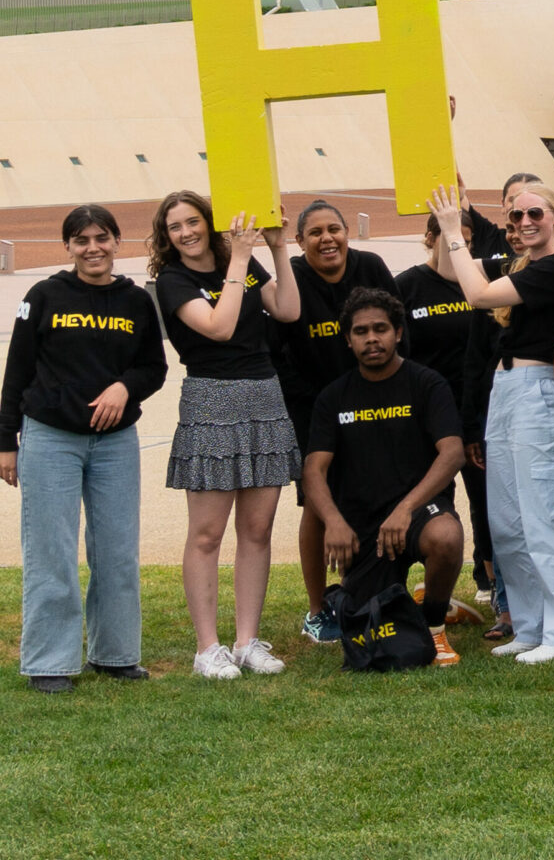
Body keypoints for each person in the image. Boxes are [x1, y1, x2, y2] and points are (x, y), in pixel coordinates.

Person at [1, 205, 167, 692]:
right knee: (50, 552)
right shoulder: (45, 295)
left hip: (115, 443)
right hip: (50, 438)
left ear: (118, 242)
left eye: (101, 238)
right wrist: (5, 442)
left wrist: (124, 388)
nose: (92, 247)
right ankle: (50, 662)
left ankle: (115, 655)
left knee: (117, 552)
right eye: (81, 240)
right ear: (68, 247)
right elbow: (17, 371)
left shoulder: (136, 301)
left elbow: (152, 368)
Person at [429, 182, 554, 663]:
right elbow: (447, 269)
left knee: (547, 515)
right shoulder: (524, 265)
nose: (523, 223)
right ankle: (531, 625)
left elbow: (477, 295)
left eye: (534, 213)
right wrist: (449, 224)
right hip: (505, 392)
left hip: (539, 391)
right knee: (508, 522)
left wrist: (451, 229)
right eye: (513, 217)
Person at [152, 190, 304, 678]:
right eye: (175, 227)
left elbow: (287, 310)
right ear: (166, 237)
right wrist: (239, 255)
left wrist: (277, 248)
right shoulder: (173, 280)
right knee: (206, 534)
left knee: (257, 531)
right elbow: (218, 327)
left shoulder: (240, 262)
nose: (187, 232)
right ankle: (207, 649)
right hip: (211, 399)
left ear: (208, 222)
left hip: (263, 394)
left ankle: (246, 642)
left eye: (193, 221)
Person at [301, 288, 466, 669]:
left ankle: (434, 623)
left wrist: (407, 507)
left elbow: (453, 451)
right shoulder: (334, 396)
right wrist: (335, 522)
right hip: (363, 526)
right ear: (348, 339)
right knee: (367, 625)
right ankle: (409, 601)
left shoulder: (427, 384)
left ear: (398, 333)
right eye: (361, 331)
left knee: (445, 536)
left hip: (417, 513)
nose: (371, 338)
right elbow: (313, 469)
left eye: (380, 329)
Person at [273, 198, 395, 646]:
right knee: (318, 504)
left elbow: (397, 329)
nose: (327, 239)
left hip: (374, 398)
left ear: (348, 233)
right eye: (315, 233)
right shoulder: (292, 278)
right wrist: (316, 400)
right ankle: (317, 609)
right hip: (315, 406)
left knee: (380, 491)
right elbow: (277, 353)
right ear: (300, 241)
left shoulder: (372, 267)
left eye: (334, 230)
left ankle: (379, 593)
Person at [396, 223, 496, 628]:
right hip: (427, 417)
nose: (459, 248)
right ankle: (429, 588)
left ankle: (490, 585)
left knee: (486, 503)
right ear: (429, 238)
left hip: (475, 410)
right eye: (449, 238)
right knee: (433, 504)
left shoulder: (483, 286)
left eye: (467, 242)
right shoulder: (407, 286)